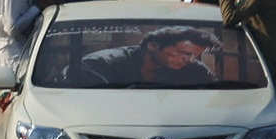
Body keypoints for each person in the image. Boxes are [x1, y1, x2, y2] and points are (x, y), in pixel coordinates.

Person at [76, 26, 220, 87]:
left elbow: (216, 94)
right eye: (186, 53)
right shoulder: (102, 63)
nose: (190, 60)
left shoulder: (195, 69)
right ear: (153, 46)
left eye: (195, 56)